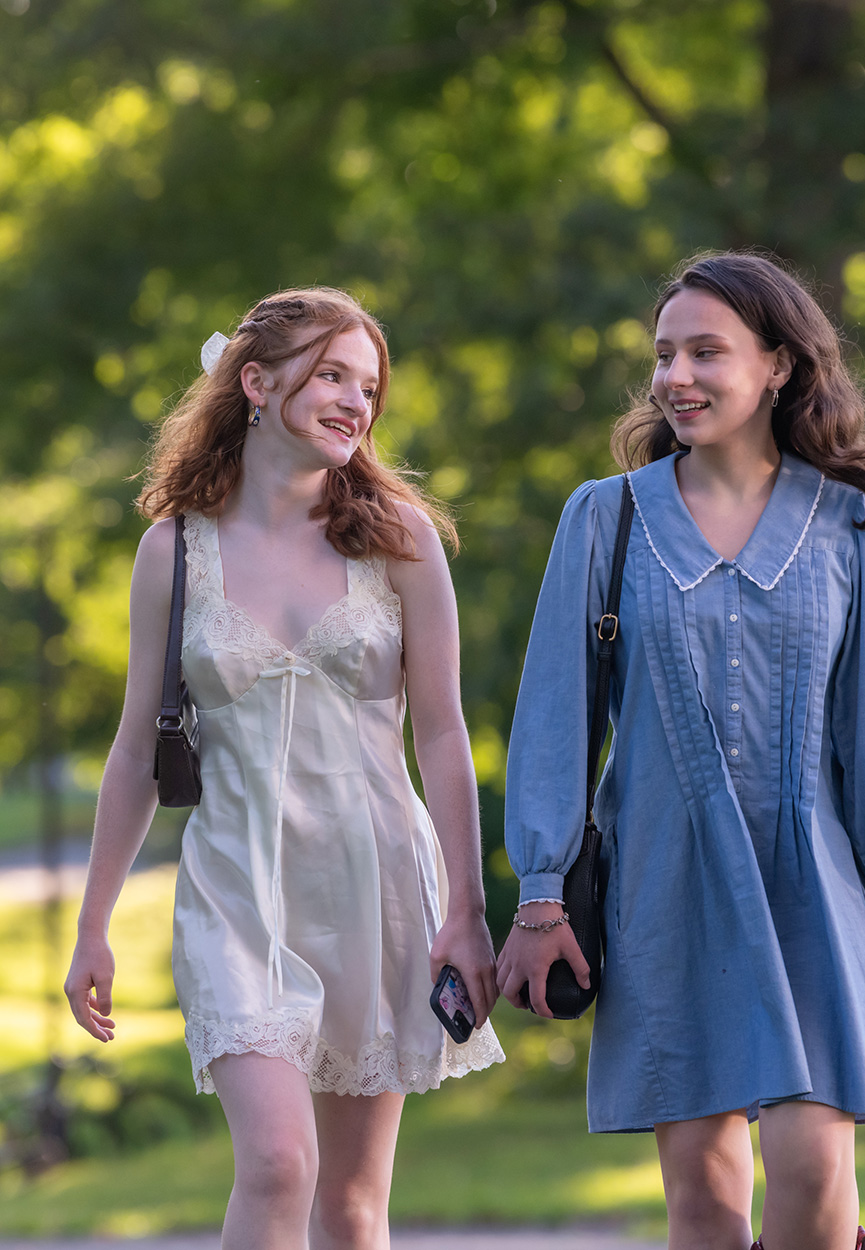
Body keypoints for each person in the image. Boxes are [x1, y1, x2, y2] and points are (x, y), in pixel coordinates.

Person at [497, 252, 865, 1250]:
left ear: (778, 363)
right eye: (662, 354)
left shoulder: (851, 518)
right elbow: (557, 721)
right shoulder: (602, 519)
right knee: (700, 1200)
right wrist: (539, 892)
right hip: (667, 883)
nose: (674, 376)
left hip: (815, 886)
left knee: (818, 1180)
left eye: (705, 351)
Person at [65, 288, 504, 1250]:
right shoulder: (174, 553)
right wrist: (91, 924)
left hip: (375, 885)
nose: (356, 401)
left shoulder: (402, 540)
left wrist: (465, 911)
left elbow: (441, 734)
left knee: (350, 1206)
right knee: (277, 1165)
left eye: (369, 385)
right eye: (333, 375)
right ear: (256, 383)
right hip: (236, 891)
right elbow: (138, 747)